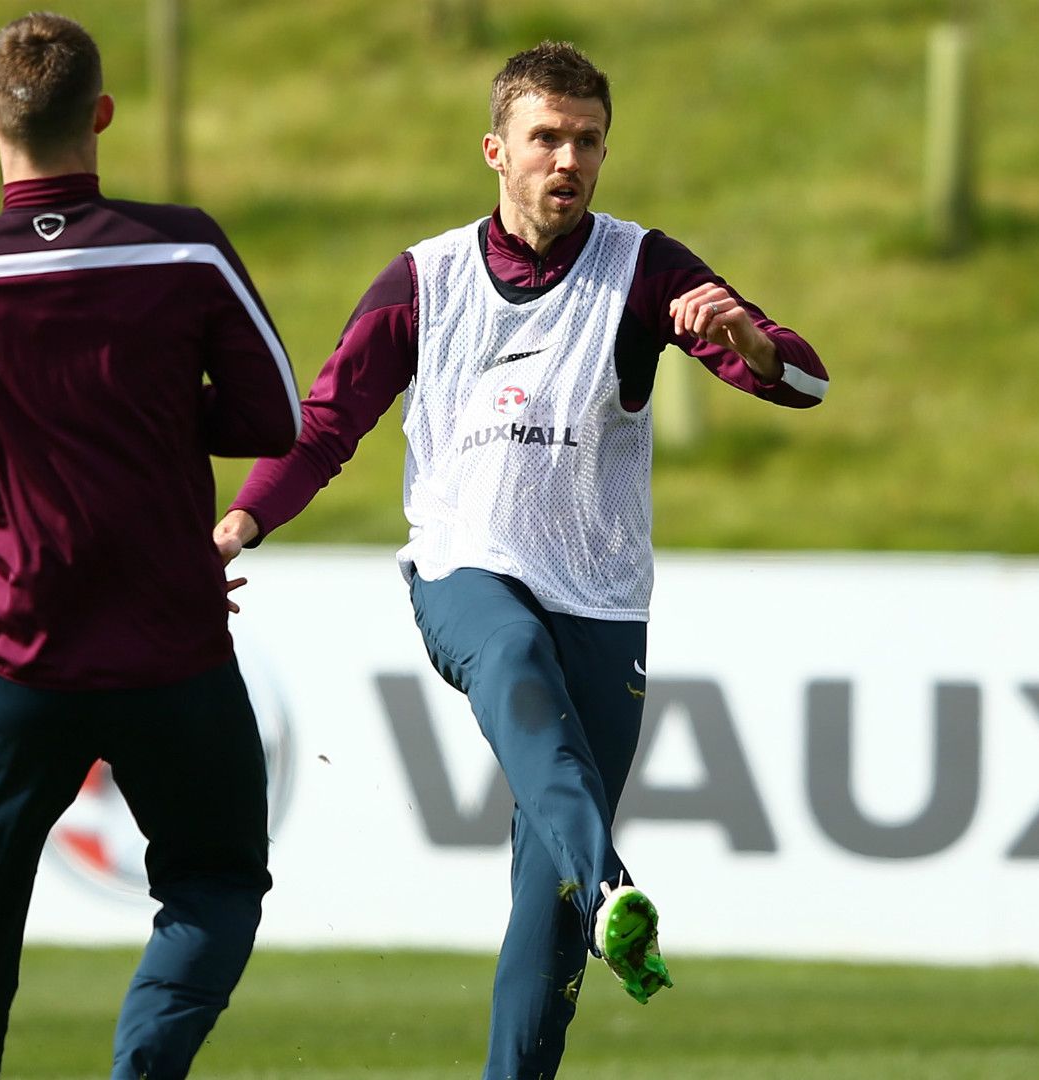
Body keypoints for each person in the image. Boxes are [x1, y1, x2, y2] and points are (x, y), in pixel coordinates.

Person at [213, 40, 829, 1080]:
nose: (568, 160)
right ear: (496, 149)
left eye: (587, 140)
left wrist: (750, 343)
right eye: (546, 138)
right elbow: (324, 424)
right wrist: (240, 524)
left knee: (542, 927)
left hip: (601, 603)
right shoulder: (426, 279)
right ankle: (613, 888)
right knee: (510, 662)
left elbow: (805, 383)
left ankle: (577, 919)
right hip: (466, 569)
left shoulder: (646, 268)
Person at [0, 13, 300, 1079]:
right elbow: (272, 418)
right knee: (216, 881)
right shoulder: (183, 249)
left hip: (17, 649)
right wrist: (148, 425)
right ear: (104, 116)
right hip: (172, 648)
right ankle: (143, 1069)